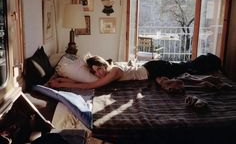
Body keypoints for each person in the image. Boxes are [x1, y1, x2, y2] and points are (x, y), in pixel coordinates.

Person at [49, 53, 221, 90]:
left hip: (155, 68)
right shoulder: (111, 70)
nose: (98, 73)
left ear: (103, 65)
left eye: (99, 69)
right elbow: (88, 81)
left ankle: (213, 63)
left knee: (189, 67)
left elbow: (91, 85)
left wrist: (60, 83)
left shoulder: (114, 71)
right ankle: (210, 63)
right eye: (95, 72)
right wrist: (61, 82)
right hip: (151, 68)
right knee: (186, 67)